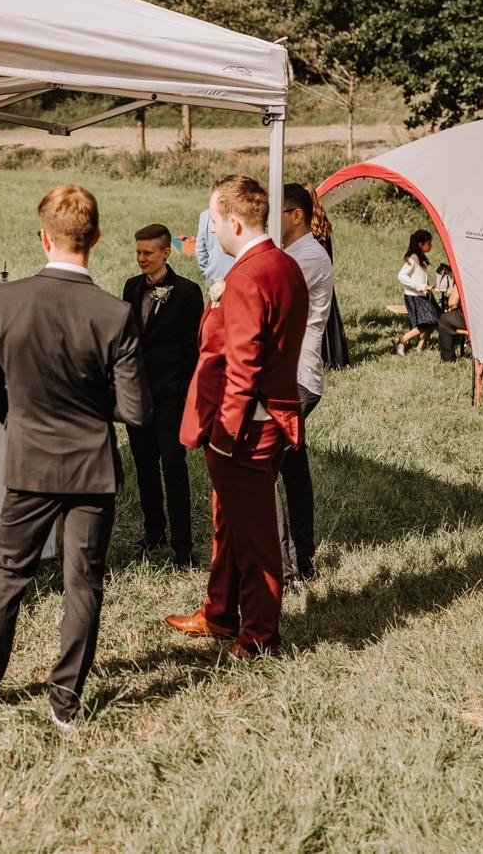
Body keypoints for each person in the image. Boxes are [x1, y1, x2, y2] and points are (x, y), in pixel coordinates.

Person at [0, 184, 150, 732]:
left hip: (29, 463)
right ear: (96, 238)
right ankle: (65, 703)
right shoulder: (115, 313)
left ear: (43, 237)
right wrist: (90, 408)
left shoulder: (6, 301)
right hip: (91, 469)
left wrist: (25, 422)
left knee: (10, 574)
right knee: (84, 584)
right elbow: (136, 410)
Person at [165, 175, 307, 659]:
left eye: (213, 221)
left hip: (244, 428)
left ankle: (261, 636)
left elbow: (243, 366)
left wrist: (224, 436)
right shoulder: (283, 264)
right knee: (228, 523)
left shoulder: (248, 275)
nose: (209, 231)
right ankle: (221, 611)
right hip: (267, 417)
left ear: (234, 222)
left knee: (256, 537)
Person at [121, 224, 204, 565]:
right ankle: (153, 531)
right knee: (144, 467)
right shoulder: (131, 287)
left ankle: (182, 546)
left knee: (173, 467)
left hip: (170, 395)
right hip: (136, 394)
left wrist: (183, 395)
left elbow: (193, 350)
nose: (141, 258)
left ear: (166, 253)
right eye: (138, 252)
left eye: (147, 253)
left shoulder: (187, 292)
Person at [277, 183, 333, 588]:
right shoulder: (292, 254)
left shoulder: (308, 257)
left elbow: (270, 303)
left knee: (262, 469)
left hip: (296, 378)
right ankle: (304, 561)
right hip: (290, 375)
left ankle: (284, 569)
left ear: (296, 215)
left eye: (275, 213)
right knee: (294, 470)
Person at [309, 186, 349, 370]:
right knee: (327, 318)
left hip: (312, 277)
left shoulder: (305, 226)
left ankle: (320, 358)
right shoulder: (323, 223)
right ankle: (332, 358)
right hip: (325, 276)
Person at [395, 229, 438, 355]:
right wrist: (421, 286)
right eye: (428, 243)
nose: (431, 245)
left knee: (436, 319)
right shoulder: (414, 258)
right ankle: (401, 340)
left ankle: (421, 346)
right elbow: (401, 275)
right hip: (415, 296)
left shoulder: (420, 257)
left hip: (423, 294)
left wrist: (427, 286)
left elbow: (419, 275)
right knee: (427, 322)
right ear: (420, 244)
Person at [191, 204, 235, 282]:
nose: (213, 229)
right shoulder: (242, 214)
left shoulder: (205, 215)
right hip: (237, 275)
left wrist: (208, 270)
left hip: (213, 276)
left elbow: (200, 250)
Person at [436, 264, 467, 363]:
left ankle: (448, 358)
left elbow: (452, 303)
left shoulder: (466, 276)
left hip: (473, 319)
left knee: (445, 320)